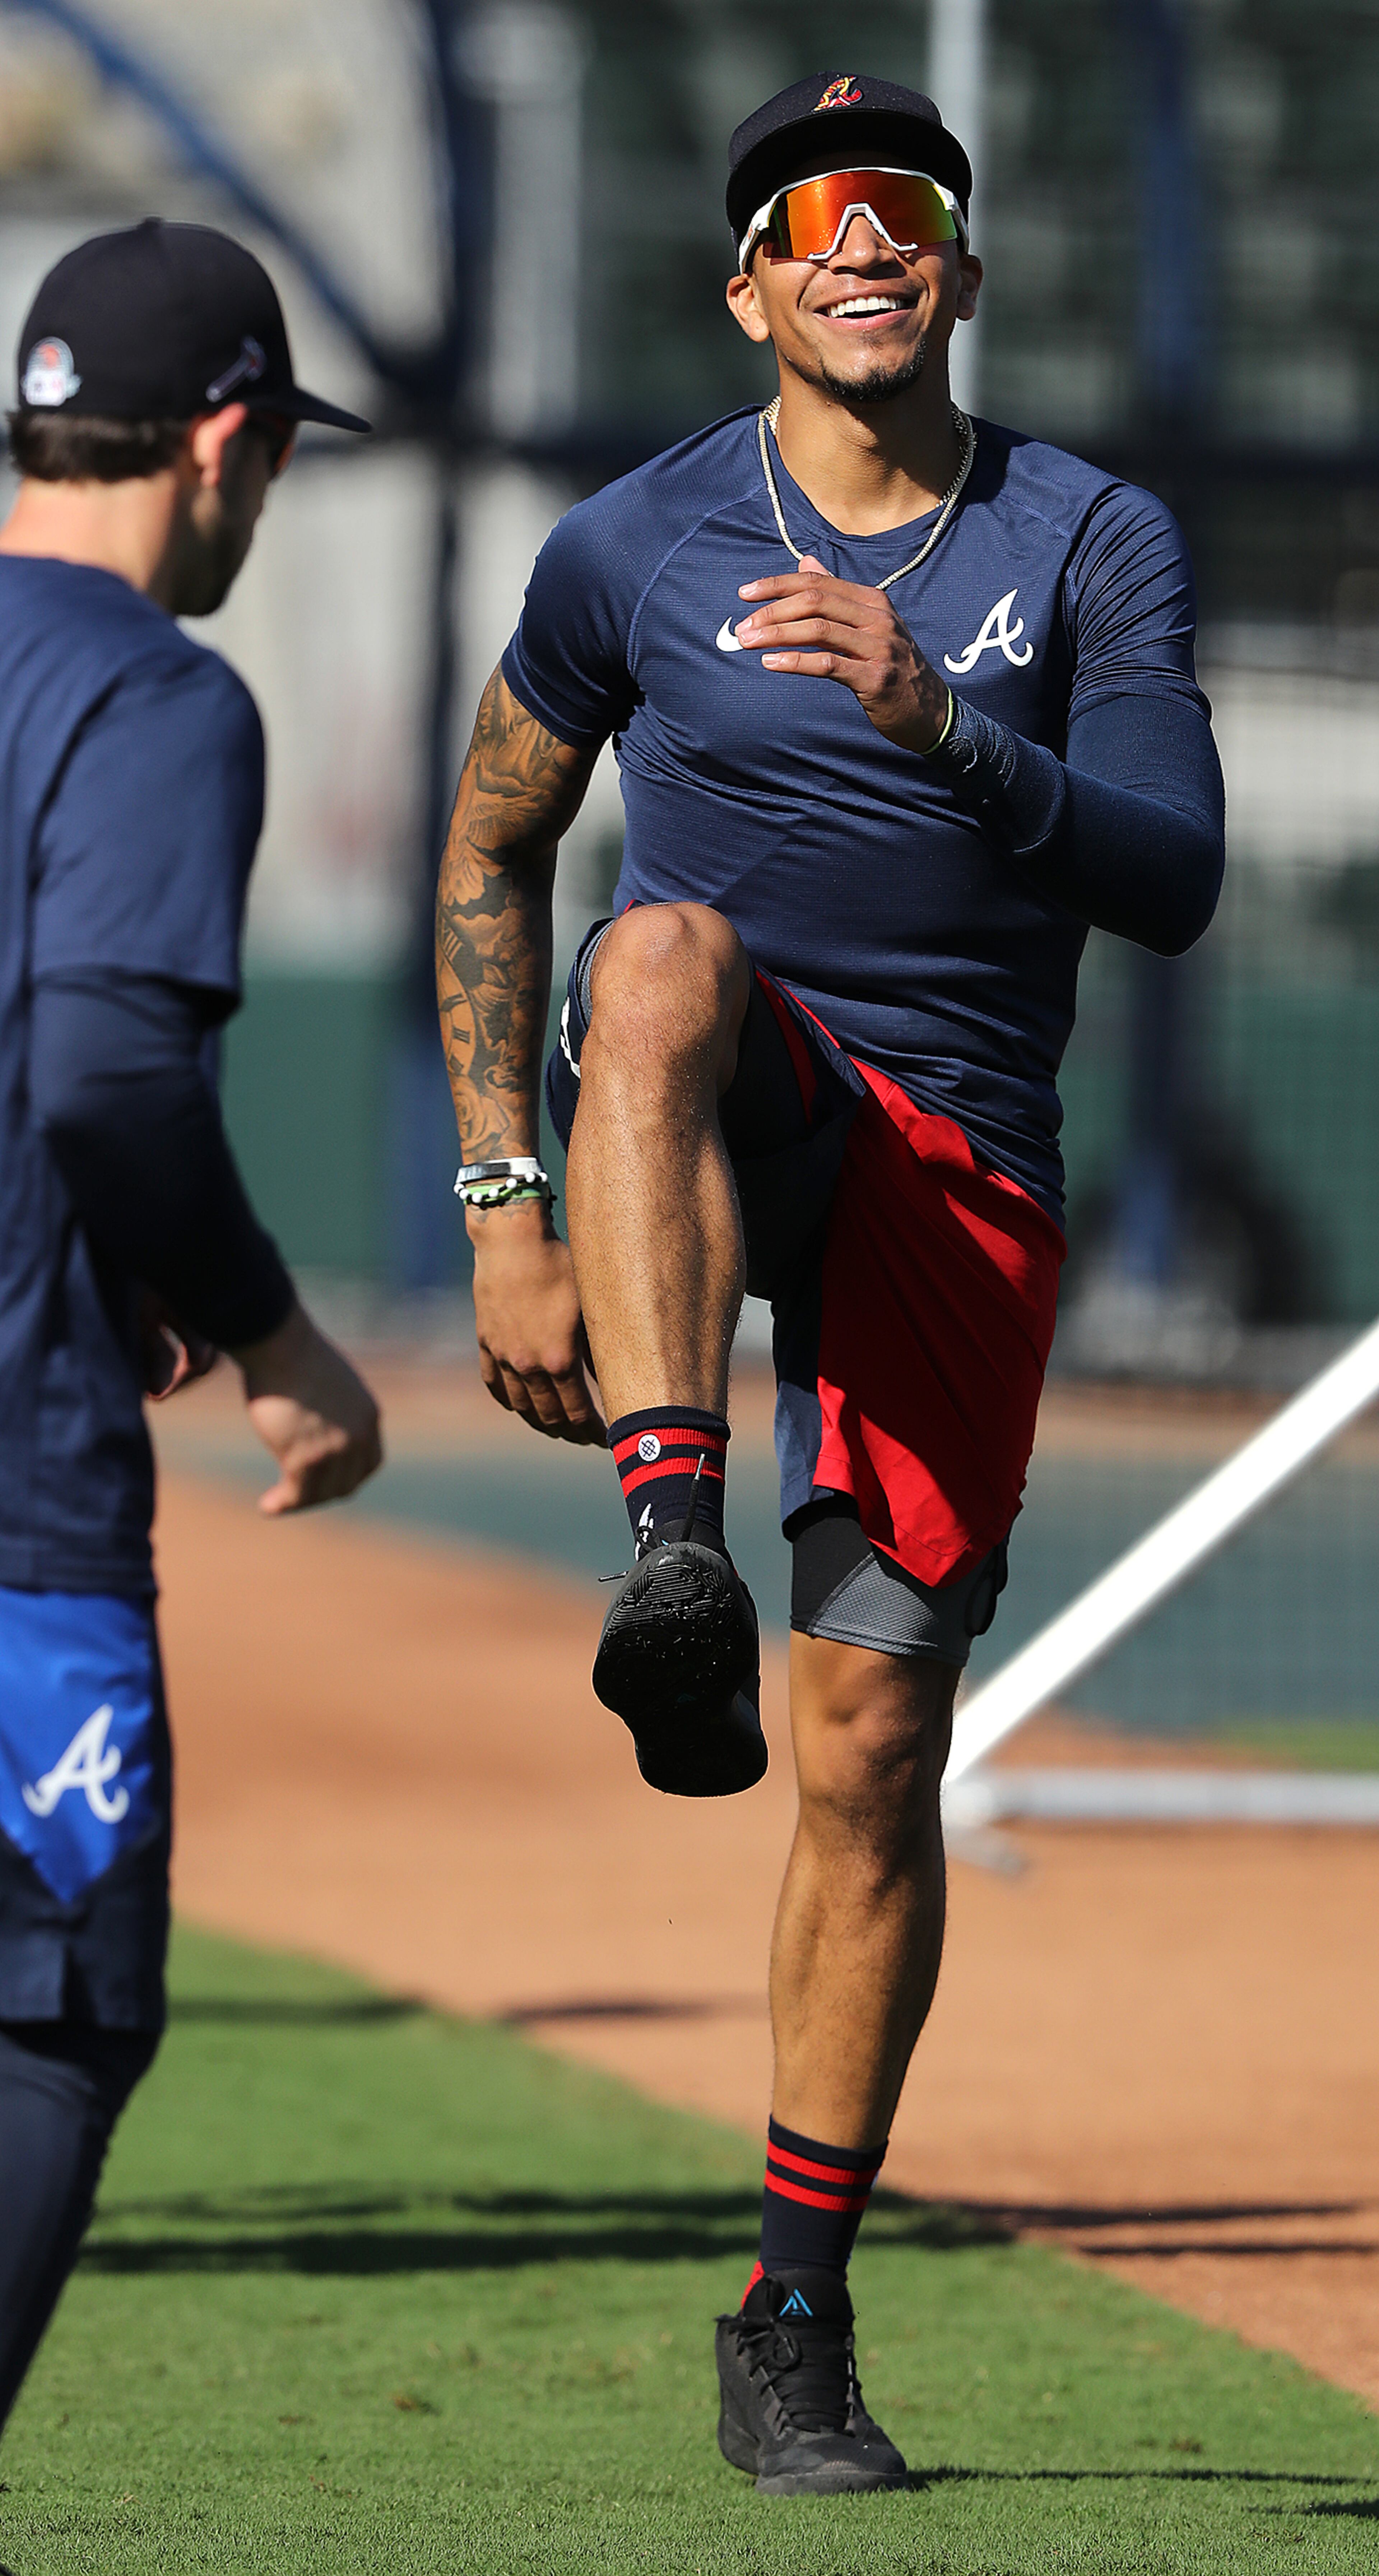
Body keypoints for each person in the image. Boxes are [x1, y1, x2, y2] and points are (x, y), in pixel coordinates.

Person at [436, 73, 1225, 2495]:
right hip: (713, 1086)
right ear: (755, 280)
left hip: (955, 1157)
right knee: (655, 951)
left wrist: (941, 723)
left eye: (916, 212)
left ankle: (790, 2310)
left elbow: (1174, 871)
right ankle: (673, 1538)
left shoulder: (1088, 538)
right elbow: (494, 849)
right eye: (819, 213)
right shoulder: (630, 540)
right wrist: (502, 1193)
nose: (869, 242)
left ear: (961, 277)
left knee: (875, 1749)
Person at [0, 219, 382, 2434]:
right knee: (55, 2013)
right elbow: (107, 1074)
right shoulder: (154, 692)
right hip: (16, 1490)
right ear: (225, 436)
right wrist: (267, 1331)